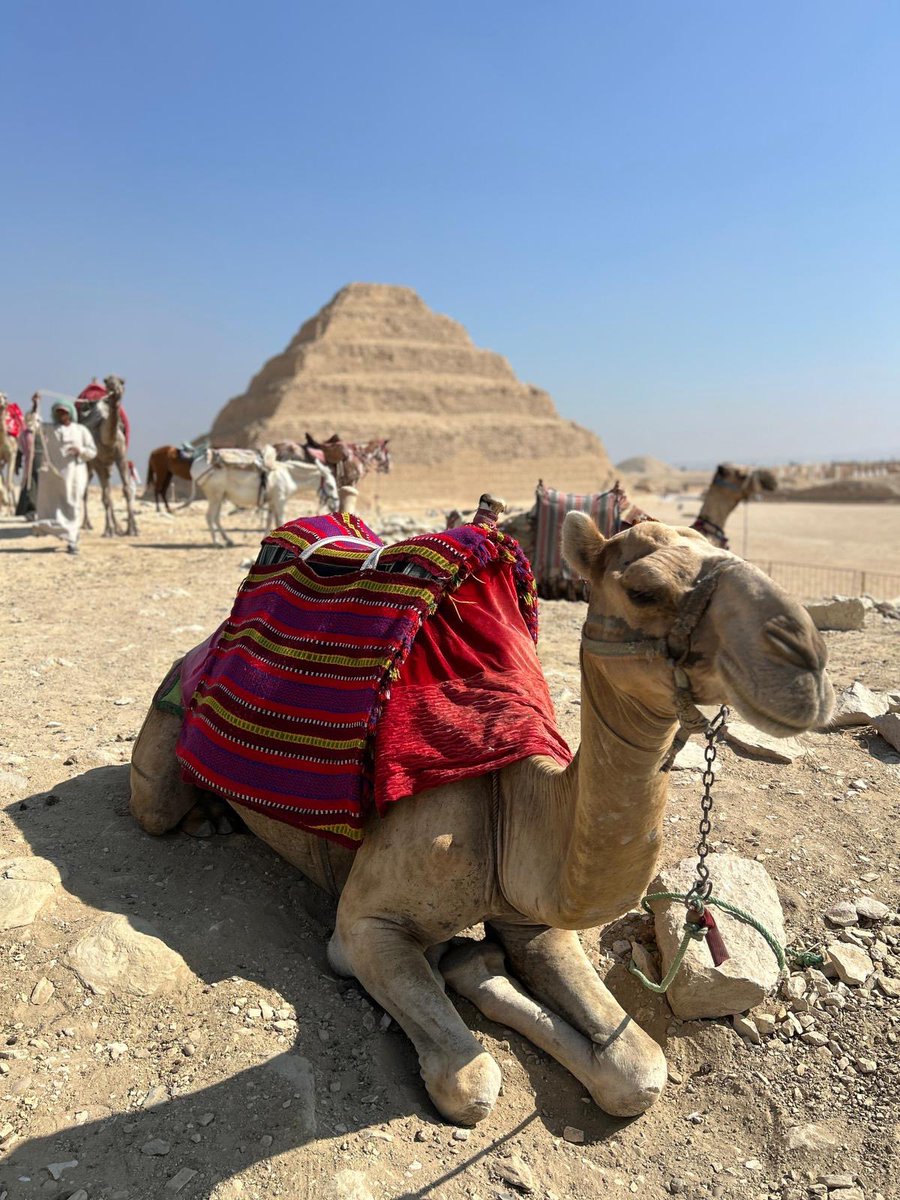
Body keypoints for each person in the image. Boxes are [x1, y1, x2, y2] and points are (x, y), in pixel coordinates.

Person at [33, 398, 97, 554]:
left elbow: (93, 451)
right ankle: (63, 534)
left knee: (72, 505)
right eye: (58, 412)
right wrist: (35, 405)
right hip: (54, 477)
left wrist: (80, 451)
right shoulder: (49, 428)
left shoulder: (81, 430)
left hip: (74, 475)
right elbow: (33, 424)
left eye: (64, 412)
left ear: (70, 414)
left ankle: (72, 540)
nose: (61, 415)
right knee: (52, 506)